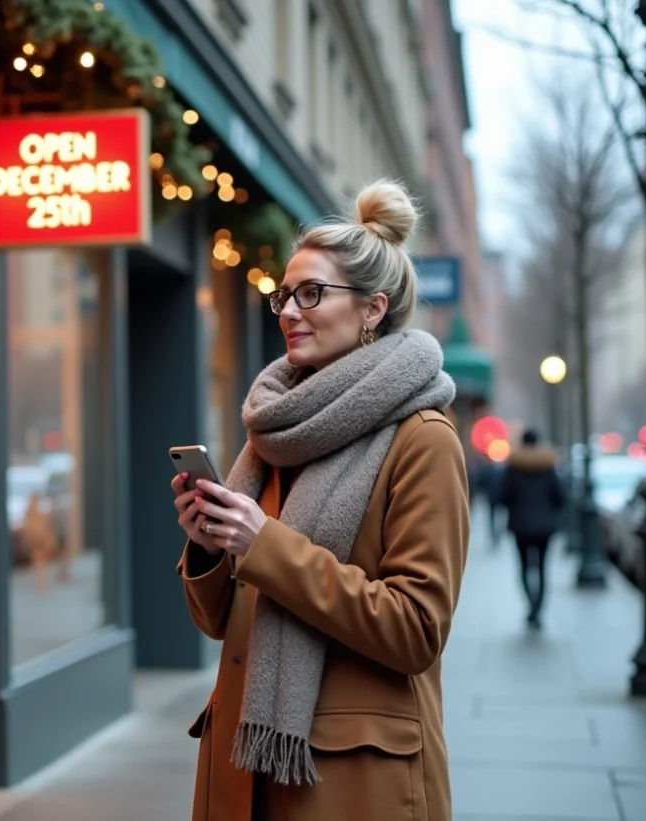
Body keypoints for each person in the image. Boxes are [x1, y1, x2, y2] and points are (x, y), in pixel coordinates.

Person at [171, 180, 469, 821]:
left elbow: (416, 630)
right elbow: (225, 622)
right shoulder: (276, 430)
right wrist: (208, 549)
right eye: (284, 294)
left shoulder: (423, 438)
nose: (288, 310)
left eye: (312, 293)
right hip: (243, 768)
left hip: (346, 781)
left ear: (371, 309)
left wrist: (265, 546)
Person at [496, 428, 564, 629]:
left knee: (524, 567)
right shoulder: (548, 466)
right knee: (542, 568)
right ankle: (538, 609)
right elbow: (560, 497)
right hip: (545, 527)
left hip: (520, 526)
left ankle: (531, 606)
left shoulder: (514, 466)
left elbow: (502, 497)